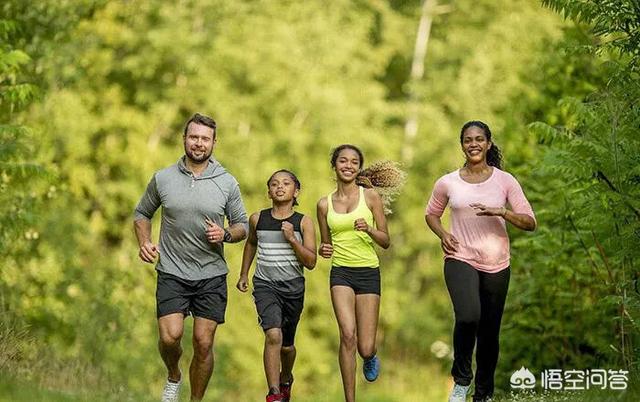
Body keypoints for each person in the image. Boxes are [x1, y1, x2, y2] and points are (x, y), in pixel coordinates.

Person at [133, 113, 248, 402]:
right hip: (172, 271)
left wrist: (225, 234)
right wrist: (145, 241)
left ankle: (195, 400)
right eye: (194, 137)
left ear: (214, 143)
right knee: (170, 337)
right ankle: (173, 375)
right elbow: (142, 213)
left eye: (205, 139)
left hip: (211, 274)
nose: (199, 143)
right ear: (184, 139)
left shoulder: (227, 182)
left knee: (203, 342)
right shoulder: (163, 178)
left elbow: (242, 225)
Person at [425, 121, 537, 402]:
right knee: (468, 316)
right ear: (461, 145)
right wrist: (442, 234)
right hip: (460, 257)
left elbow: (530, 222)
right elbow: (431, 214)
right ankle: (462, 380)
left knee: (489, 331)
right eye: (467, 140)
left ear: (488, 143)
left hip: (497, 263)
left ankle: (484, 393)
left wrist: (501, 212)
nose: (473, 144)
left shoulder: (505, 181)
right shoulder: (448, 182)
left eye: (479, 139)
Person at [316, 145, 405, 402]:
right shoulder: (324, 205)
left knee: (365, 346)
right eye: (343, 161)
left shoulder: (371, 198)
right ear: (334, 165)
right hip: (341, 273)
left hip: (368, 272)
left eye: (354, 162)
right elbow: (326, 244)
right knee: (347, 334)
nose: (348, 165)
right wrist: (324, 249)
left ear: (358, 167)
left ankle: (370, 356)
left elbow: (386, 240)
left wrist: (368, 229)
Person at [236, 169, 317, 402]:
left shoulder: (303, 222)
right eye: (274, 184)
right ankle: (273, 393)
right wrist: (244, 274)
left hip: (293, 288)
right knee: (273, 335)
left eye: (286, 183)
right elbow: (251, 244)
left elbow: (311, 262)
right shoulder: (257, 219)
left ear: (296, 191)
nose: (279, 187)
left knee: (287, 346)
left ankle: (286, 377)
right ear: (269, 191)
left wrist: (292, 238)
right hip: (265, 285)